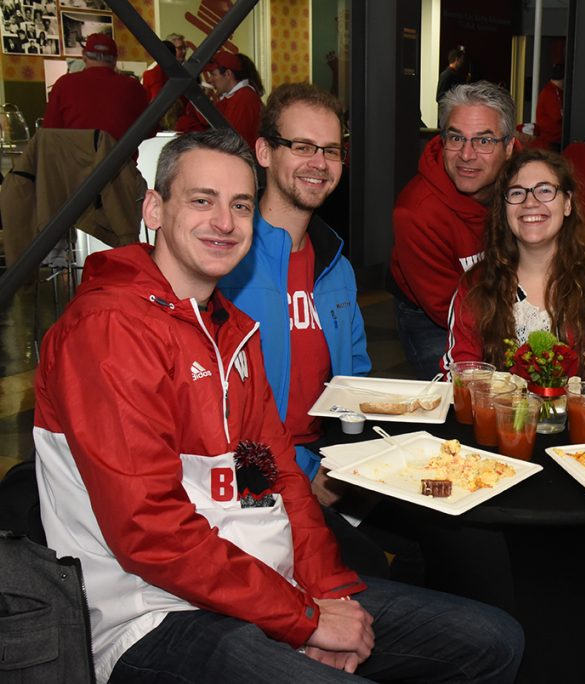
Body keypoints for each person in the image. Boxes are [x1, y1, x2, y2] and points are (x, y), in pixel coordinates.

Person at [33, 129, 524, 684]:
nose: (225, 222)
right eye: (202, 200)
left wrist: (328, 593)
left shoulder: (231, 332)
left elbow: (275, 479)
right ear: (153, 209)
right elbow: (151, 532)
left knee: (492, 639)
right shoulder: (108, 330)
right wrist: (304, 620)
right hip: (153, 615)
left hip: (261, 589)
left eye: (241, 205)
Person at [218, 84, 381, 575]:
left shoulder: (336, 264)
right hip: (252, 481)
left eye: (331, 150)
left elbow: (356, 384)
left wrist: (345, 465)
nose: (319, 163)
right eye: (303, 146)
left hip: (327, 464)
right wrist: (299, 481)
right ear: (265, 152)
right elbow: (212, 411)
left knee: (444, 538)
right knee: (373, 570)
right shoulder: (226, 260)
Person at [444, 147, 585, 394]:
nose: (530, 202)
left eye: (545, 190)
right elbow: (459, 370)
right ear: (504, 210)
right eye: (517, 193)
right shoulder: (476, 283)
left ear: (567, 204)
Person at [388, 81, 515, 379]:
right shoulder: (417, 212)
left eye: (484, 141)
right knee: (462, 396)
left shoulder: (528, 184)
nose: (467, 155)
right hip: (434, 315)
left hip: (507, 300)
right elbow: (446, 307)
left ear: (509, 147)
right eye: (456, 138)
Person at [42, 33, 148, 141]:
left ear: (84, 56)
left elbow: (49, 132)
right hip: (121, 151)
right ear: (115, 59)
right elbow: (148, 130)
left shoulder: (64, 84)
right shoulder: (133, 87)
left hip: (75, 151)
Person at [531, 62, 564, 151]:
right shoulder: (551, 92)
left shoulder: (554, 90)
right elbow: (557, 115)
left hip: (553, 139)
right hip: (550, 140)